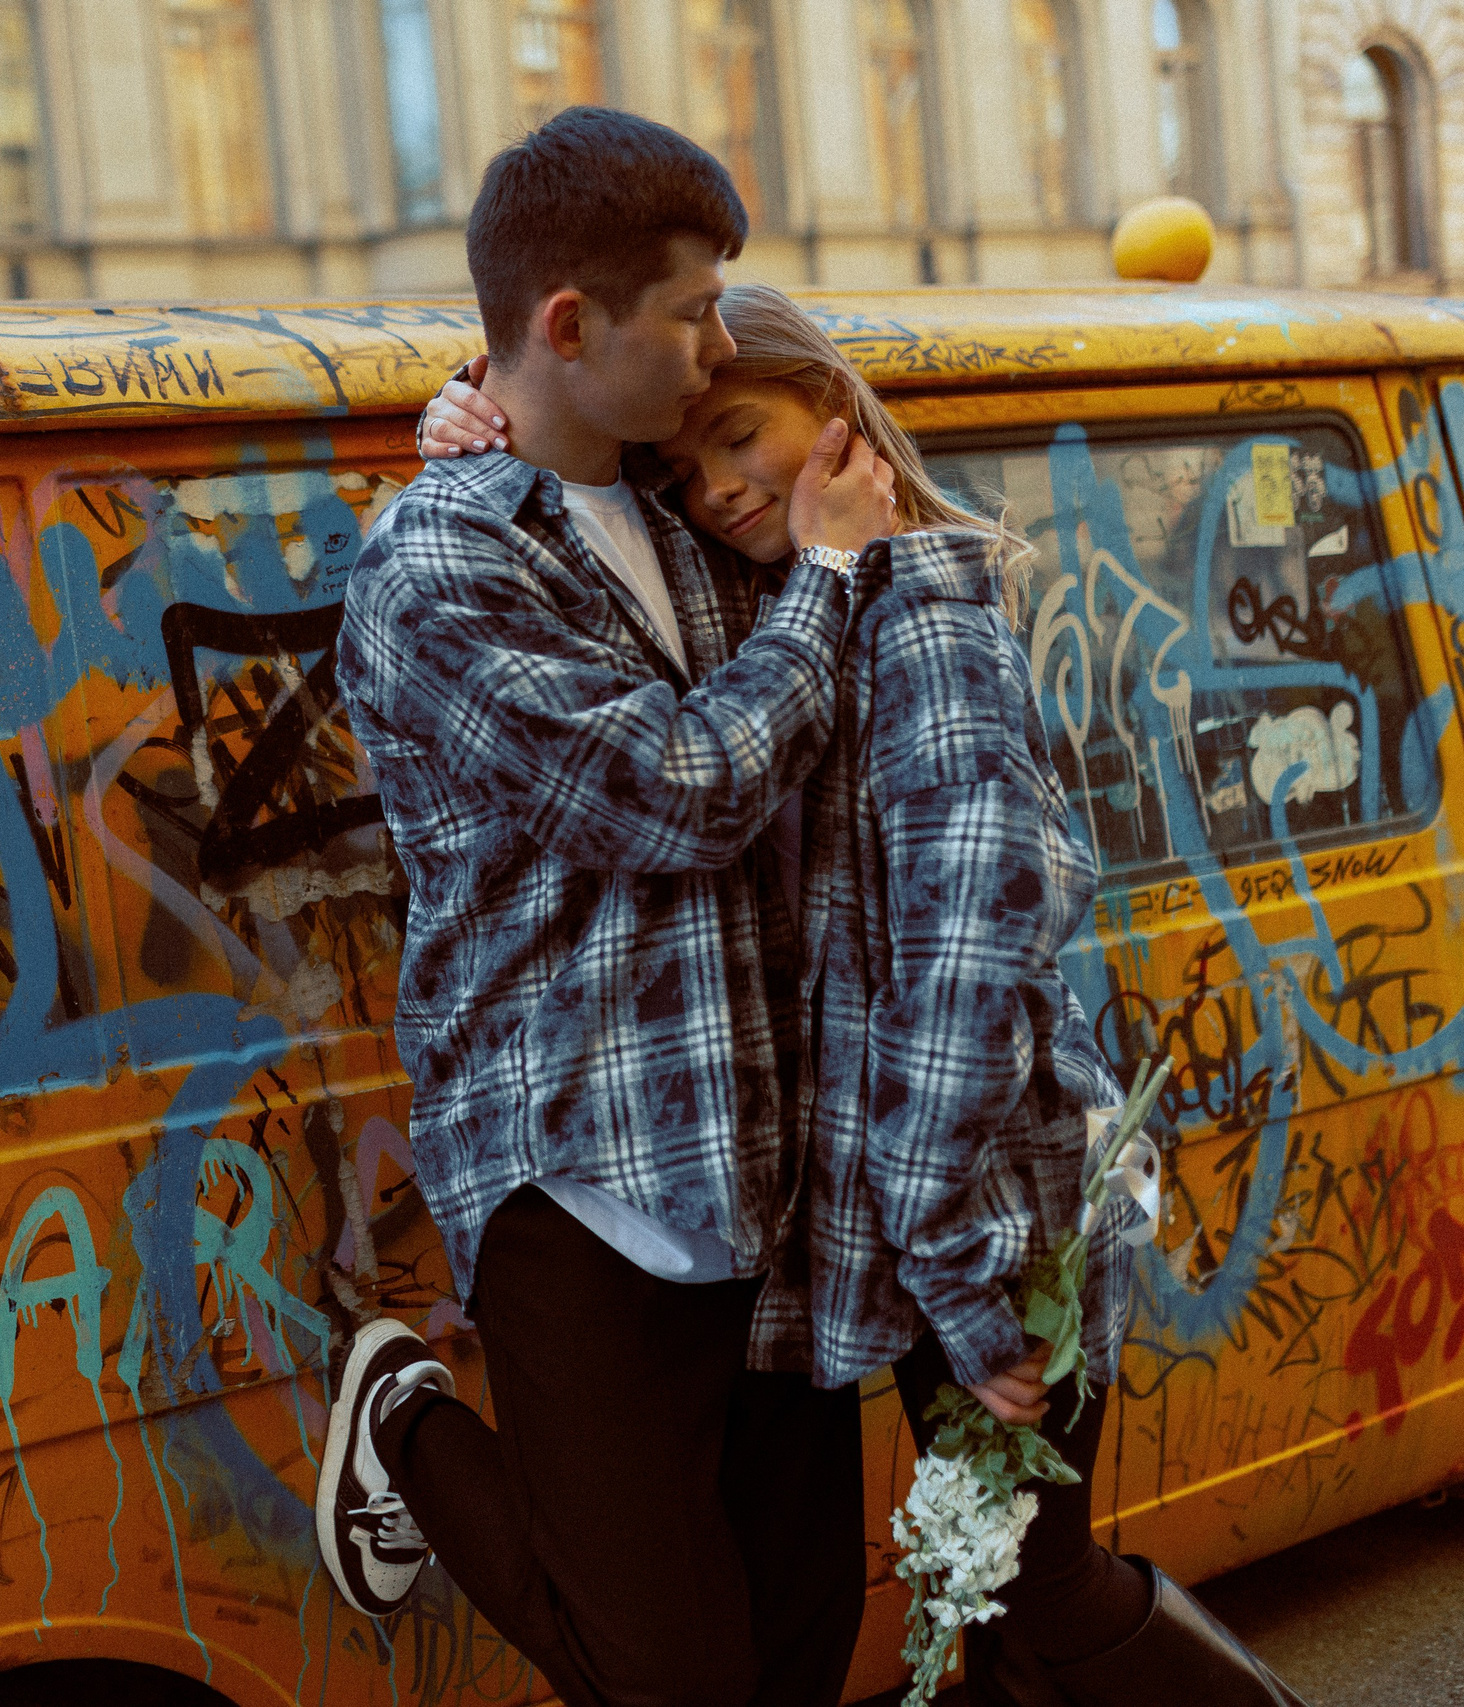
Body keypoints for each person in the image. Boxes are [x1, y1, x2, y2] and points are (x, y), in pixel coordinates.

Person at [419, 282, 1308, 1707]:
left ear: (836, 415)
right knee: (981, 1591)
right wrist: (469, 412)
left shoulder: (921, 620)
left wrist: (957, 1273)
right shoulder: (783, 603)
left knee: (1038, 1580)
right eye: (682, 468)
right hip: (893, 1207)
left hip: (991, 1201)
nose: (713, 488)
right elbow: (571, 470)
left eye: (740, 436)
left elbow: (963, 975)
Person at [324, 109, 897, 1707]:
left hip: (767, 1173)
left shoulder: (682, 503)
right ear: (571, 326)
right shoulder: (438, 565)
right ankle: (407, 1425)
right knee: (668, 1681)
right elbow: (675, 793)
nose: (719, 347)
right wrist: (829, 582)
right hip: (582, 1182)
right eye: (694, 311)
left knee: (799, 1648)